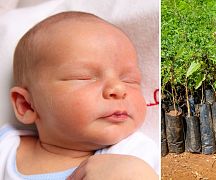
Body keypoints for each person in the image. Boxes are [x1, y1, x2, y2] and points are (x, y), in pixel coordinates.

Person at [0, 11, 158, 180]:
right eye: (85, 77)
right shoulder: (6, 146)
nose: (119, 88)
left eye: (130, 80)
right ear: (27, 105)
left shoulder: (133, 155)